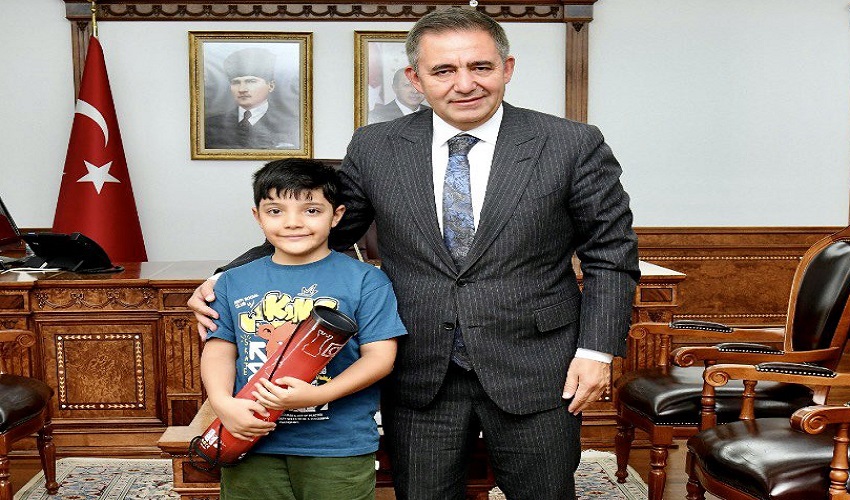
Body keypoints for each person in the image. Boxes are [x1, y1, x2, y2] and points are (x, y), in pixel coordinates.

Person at [191, 8, 640, 499]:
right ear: (415, 78)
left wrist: (596, 352)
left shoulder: (571, 143)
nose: (464, 84)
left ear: (507, 68)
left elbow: (611, 253)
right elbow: (329, 230)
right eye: (443, 70)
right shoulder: (376, 146)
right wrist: (227, 277)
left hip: (537, 366)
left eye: (481, 67)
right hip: (420, 368)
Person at [200, 158, 407, 499]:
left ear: (336, 215)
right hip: (249, 437)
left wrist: (318, 395)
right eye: (275, 211)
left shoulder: (367, 280)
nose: (293, 223)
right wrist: (223, 404)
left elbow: (380, 358)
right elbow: (219, 350)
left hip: (337, 445)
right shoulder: (232, 281)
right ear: (257, 216)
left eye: (311, 210)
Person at [205, 47, 298, 150]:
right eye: (236, 82)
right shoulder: (211, 125)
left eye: (251, 81)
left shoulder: (291, 124)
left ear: (271, 86)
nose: (242, 89)